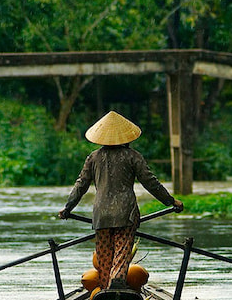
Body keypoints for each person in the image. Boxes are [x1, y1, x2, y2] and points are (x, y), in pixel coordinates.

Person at [59, 111, 184, 289]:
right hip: (126, 214)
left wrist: (67, 208)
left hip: (101, 215)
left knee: (104, 259)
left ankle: (104, 291)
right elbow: (151, 183)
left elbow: (81, 185)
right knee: (121, 253)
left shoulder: (93, 158)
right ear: (127, 138)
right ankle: (117, 282)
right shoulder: (133, 156)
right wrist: (171, 202)